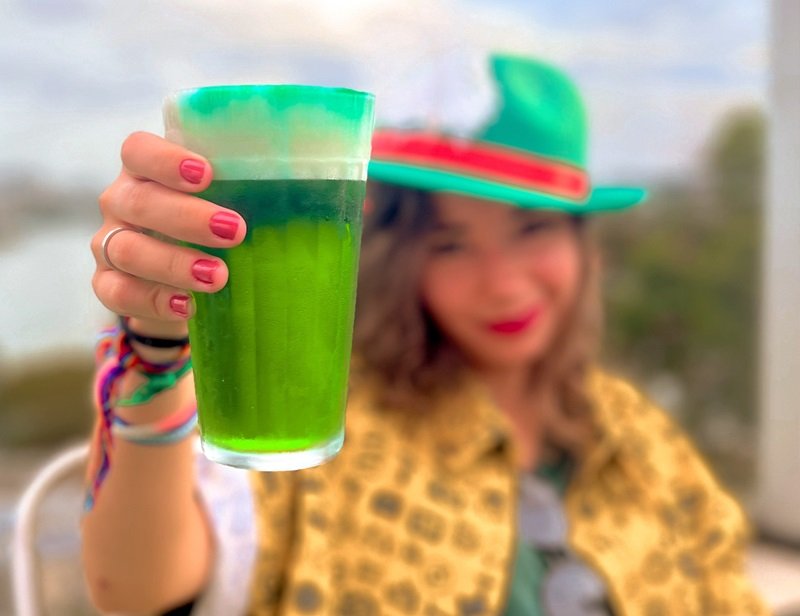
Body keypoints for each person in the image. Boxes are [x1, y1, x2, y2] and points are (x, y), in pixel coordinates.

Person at [81, 54, 769, 615]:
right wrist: (155, 347)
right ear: (400, 261)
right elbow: (138, 590)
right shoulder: (314, 421)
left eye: (532, 229)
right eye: (449, 243)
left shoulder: (642, 436)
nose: (502, 283)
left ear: (584, 248)